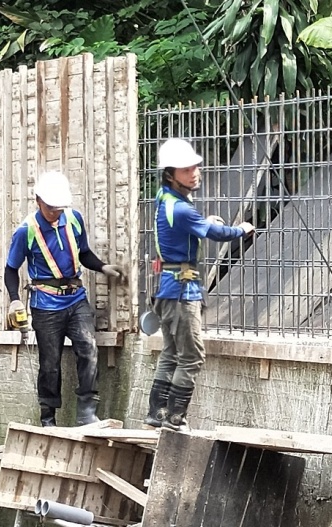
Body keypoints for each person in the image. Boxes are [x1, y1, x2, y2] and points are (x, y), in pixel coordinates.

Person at [144, 138, 254, 431]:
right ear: (170, 174)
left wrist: (203, 222)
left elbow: (190, 227)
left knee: (170, 352)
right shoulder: (181, 209)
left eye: (195, 167)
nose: (194, 173)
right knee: (192, 356)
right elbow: (216, 234)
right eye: (185, 169)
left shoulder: (165, 199)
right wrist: (240, 229)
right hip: (181, 292)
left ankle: (156, 413)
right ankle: (174, 419)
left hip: (166, 288)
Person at [4, 171, 125, 427]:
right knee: (50, 364)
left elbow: (83, 253)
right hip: (46, 305)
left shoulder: (73, 219)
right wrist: (14, 299)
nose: (55, 213)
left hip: (75, 298)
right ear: (37, 200)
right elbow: (10, 269)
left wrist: (103, 267)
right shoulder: (26, 232)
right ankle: (48, 418)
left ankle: (87, 413)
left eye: (59, 208)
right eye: (50, 208)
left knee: (89, 349)